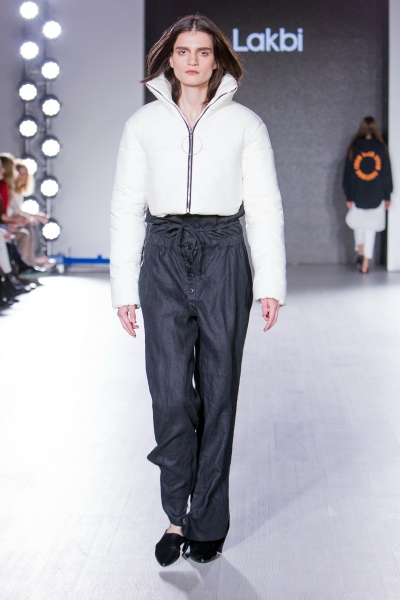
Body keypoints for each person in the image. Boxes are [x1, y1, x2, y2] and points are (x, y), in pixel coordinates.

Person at [110, 15, 286, 567]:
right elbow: (125, 207)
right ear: (170, 58)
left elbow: (264, 207)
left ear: (216, 60)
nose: (192, 60)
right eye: (183, 51)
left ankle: (206, 523)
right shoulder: (143, 125)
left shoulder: (246, 124)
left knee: (218, 394)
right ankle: (175, 514)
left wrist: (270, 282)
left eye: (203, 52)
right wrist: (122, 289)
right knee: (169, 395)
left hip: (223, 252)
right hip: (163, 252)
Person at [343, 116, 393, 273]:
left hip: (358, 193)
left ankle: (361, 252)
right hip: (376, 194)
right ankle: (365, 262)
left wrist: (349, 195)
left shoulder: (355, 147)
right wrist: (387, 195)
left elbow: (348, 173)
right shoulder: (381, 148)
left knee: (359, 226)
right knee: (370, 229)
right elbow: (386, 173)